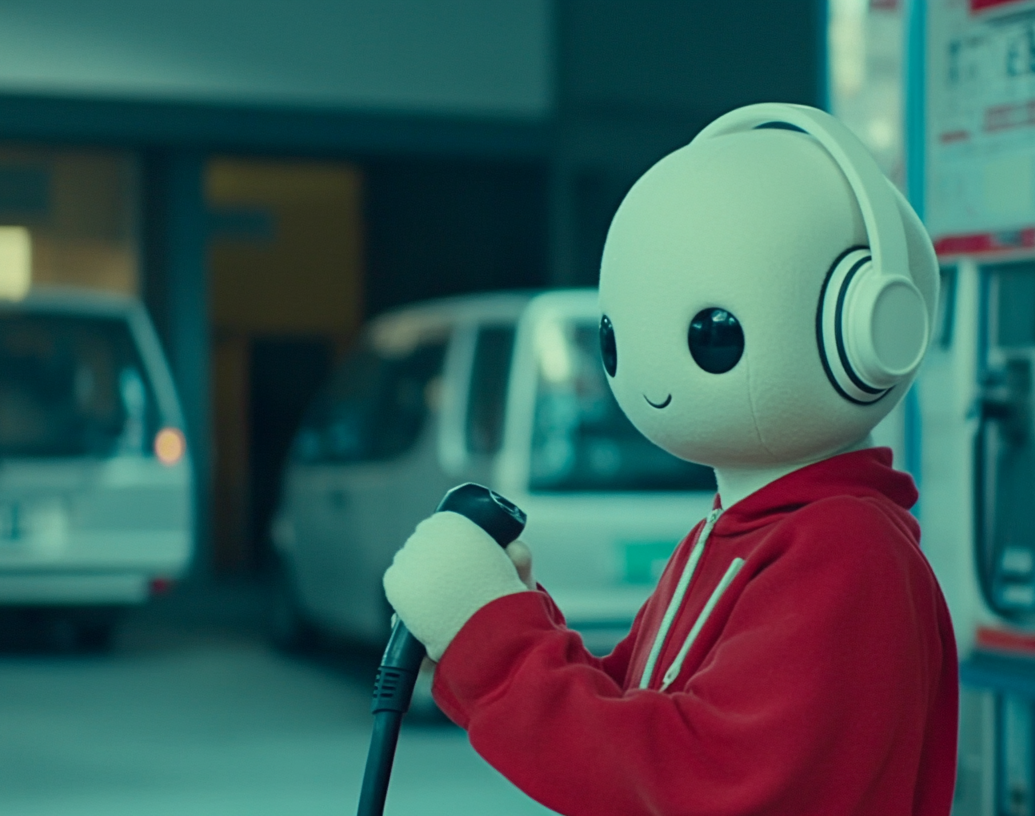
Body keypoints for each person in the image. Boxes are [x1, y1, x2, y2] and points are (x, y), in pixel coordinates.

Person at [383, 103, 957, 815]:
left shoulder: (847, 551)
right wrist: (506, 615)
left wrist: (495, 649)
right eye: (617, 340)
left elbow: (696, 783)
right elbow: (633, 715)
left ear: (868, 327)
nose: (647, 381)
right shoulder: (739, 529)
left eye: (711, 335)